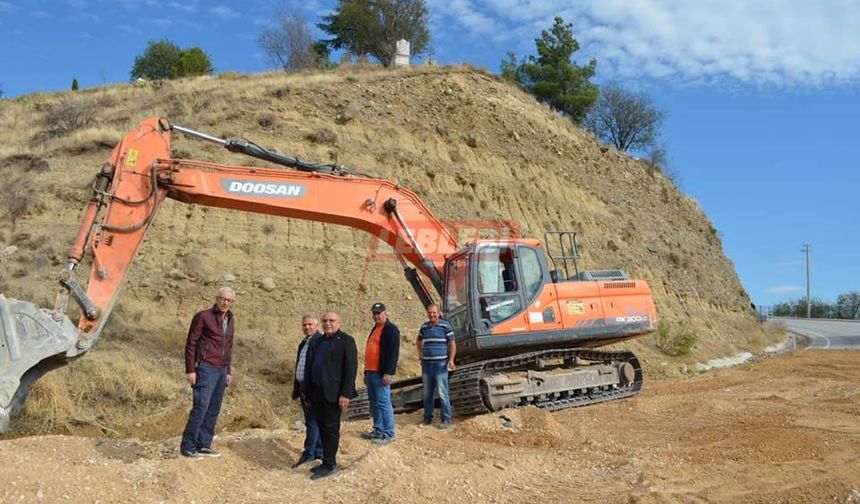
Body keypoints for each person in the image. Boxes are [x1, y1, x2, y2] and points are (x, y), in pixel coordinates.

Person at [180, 286, 236, 459]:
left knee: (213, 408)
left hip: (221, 369)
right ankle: (188, 447)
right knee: (201, 406)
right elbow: (191, 343)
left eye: (229, 300)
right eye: (222, 299)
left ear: (232, 302)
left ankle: (204, 445)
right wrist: (190, 369)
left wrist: (228, 370)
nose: (225, 302)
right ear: (217, 299)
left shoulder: (231, 319)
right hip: (205, 367)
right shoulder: (203, 316)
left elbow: (228, 346)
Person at [301, 311, 357, 480]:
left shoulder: (346, 341)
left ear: (339, 322)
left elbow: (351, 369)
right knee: (322, 427)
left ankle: (330, 464)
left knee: (331, 428)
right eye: (325, 320)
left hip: (334, 393)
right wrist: (307, 392)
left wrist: (345, 393)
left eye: (332, 320)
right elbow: (310, 366)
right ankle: (325, 460)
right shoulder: (318, 341)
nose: (328, 323)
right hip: (317, 392)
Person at [360, 302, 400, 445]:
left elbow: (393, 353)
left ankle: (389, 433)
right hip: (371, 372)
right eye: (374, 313)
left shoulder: (391, 330)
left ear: (385, 313)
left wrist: (388, 372)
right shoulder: (375, 328)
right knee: (374, 403)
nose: (376, 316)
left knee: (383, 403)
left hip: (381, 372)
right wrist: (366, 371)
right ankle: (378, 429)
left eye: (379, 313)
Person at [291, 315, 324, 468]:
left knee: (312, 421)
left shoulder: (319, 342)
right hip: (304, 386)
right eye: (304, 325)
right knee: (313, 420)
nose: (307, 327)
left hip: (312, 388)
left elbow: (317, 369)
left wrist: (310, 390)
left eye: (310, 324)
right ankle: (318, 452)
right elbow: (300, 366)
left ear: (316, 325)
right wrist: (297, 389)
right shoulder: (305, 342)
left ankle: (309, 453)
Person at [417, 304, 456, 430]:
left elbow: (452, 343)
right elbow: (418, 340)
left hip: (440, 365)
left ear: (438, 313)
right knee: (427, 394)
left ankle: (446, 419)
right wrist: (420, 354)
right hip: (427, 365)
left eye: (434, 312)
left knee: (443, 393)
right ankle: (427, 418)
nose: (432, 315)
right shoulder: (424, 327)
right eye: (430, 313)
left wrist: (451, 360)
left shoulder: (445, 326)